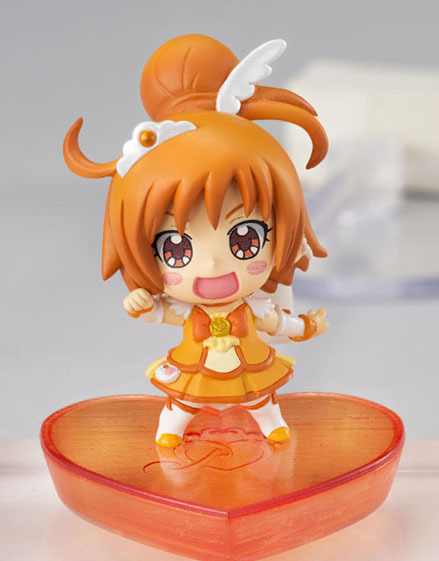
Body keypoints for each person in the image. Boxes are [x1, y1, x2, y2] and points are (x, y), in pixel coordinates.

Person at [63, 34, 329, 448]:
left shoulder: (253, 308)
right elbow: (164, 314)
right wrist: (145, 306)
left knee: (260, 397)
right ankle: (169, 430)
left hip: (249, 364)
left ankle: (271, 424)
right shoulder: (194, 310)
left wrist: (307, 326)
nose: (212, 264)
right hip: (195, 365)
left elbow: (277, 323)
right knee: (184, 401)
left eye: (245, 238)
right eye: (176, 250)